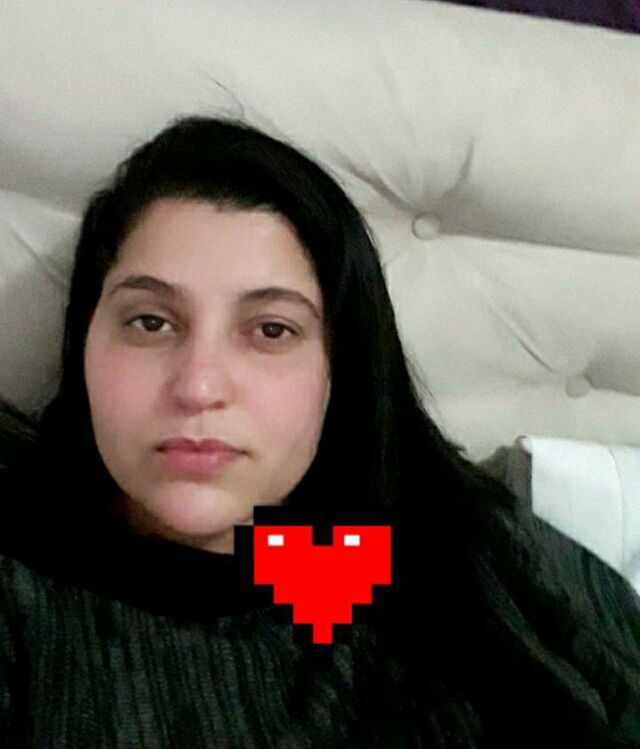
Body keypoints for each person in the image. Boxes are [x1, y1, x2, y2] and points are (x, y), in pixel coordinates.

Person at [0, 115, 639, 748]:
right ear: (83, 343)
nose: (197, 387)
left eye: (271, 330)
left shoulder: (467, 546)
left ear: (340, 368)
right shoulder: (24, 593)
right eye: (150, 322)